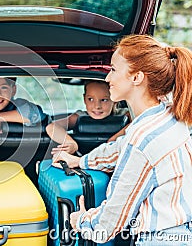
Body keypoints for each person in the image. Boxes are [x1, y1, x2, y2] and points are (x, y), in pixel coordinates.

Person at [52, 34, 192, 245]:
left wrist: (78, 220)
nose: (108, 78)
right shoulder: (168, 115)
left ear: (137, 78)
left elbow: (107, 226)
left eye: (114, 70)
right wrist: (81, 161)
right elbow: (121, 148)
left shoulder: (143, 138)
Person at [46, 80, 129, 155]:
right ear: (84, 99)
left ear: (115, 100)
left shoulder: (126, 115)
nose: (97, 106)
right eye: (90, 99)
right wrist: (70, 143)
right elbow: (51, 127)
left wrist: (114, 138)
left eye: (104, 100)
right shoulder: (79, 117)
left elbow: (138, 124)